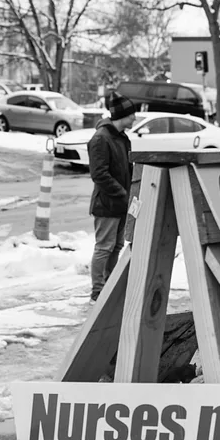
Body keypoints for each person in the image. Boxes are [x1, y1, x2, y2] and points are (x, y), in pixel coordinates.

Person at [89, 91, 136, 300]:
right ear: (121, 116)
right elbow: (99, 174)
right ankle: (97, 292)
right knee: (104, 247)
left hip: (121, 203)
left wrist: (130, 194)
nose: (134, 118)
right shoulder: (101, 139)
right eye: (131, 114)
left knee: (116, 246)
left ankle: (109, 286)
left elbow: (127, 168)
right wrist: (122, 193)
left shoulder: (122, 138)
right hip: (107, 204)